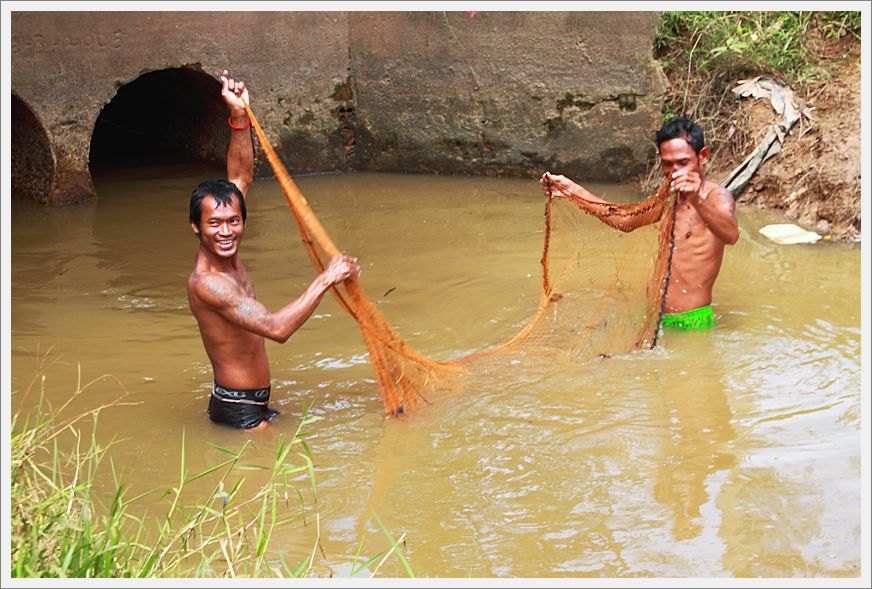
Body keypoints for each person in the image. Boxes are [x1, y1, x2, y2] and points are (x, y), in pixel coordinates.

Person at [187, 70, 360, 429]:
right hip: (238, 409)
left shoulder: (229, 233)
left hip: (253, 401)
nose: (225, 231)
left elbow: (240, 177)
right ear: (196, 227)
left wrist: (238, 117)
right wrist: (326, 278)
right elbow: (276, 328)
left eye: (233, 221)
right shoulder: (208, 283)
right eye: (214, 224)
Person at [540, 116, 739, 330]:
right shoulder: (668, 196)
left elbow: (731, 234)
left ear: (703, 156)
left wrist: (695, 200)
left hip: (690, 322)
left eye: (683, 162)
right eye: (667, 164)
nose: (674, 171)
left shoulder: (716, 197)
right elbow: (626, 220)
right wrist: (572, 191)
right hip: (652, 317)